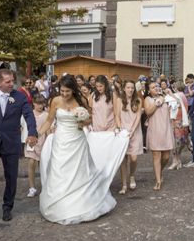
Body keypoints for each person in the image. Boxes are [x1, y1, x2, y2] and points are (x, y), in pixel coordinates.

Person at [38, 74, 128, 225]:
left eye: (67, 91)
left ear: (73, 90)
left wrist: (82, 121)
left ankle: (83, 204)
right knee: (59, 171)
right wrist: (37, 134)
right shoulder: (55, 101)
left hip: (77, 141)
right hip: (60, 142)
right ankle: (59, 205)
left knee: (78, 171)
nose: (65, 94)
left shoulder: (81, 101)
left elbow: (89, 119)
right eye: (62, 91)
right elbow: (49, 120)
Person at [0, 69, 37, 223]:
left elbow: (29, 115)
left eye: (12, 81)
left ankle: (7, 207)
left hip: (11, 142)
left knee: (11, 176)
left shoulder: (20, 97)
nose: (12, 84)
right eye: (8, 81)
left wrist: (32, 133)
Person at [144, 80, 174, 189]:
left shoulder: (165, 97)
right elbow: (148, 112)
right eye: (152, 87)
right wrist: (158, 102)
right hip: (155, 130)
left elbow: (175, 105)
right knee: (157, 156)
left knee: (166, 156)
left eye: (156, 86)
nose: (155, 88)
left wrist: (169, 97)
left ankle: (160, 171)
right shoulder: (148, 99)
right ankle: (158, 181)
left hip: (166, 129)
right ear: (148, 90)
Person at [114, 80, 143, 194]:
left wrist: (132, 131)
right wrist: (121, 129)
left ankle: (131, 175)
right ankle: (124, 185)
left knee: (133, 158)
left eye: (132, 88)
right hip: (123, 131)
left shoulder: (138, 100)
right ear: (124, 89)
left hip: (134, 131)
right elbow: (117, 115)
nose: (130, 90)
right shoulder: (119, 100)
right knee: (123, 159)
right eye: (128, 87)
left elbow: (138, 116)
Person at [25, 95, 50, 198]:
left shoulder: (46, 115)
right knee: (31, 163)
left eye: (42, 103)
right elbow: (23, 127)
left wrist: (49, 141)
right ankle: (32, 187)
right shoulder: (29, 114)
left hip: (43, 142)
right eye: (38, 103)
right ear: (33, 103)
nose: (40, 106)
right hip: (31, 142)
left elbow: (48, 129)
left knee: (43, 165)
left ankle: (45, 185)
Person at [167, 82, 189, 170]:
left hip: (176, 121)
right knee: (180, 141)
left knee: (174, 142)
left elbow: (173, 107)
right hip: (182, 121)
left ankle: (175, 161)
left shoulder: (176, 95)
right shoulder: (183, 96)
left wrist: (170, 94)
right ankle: (178, 160)